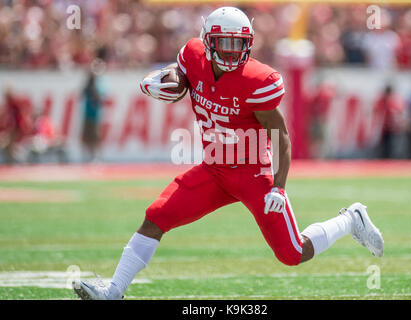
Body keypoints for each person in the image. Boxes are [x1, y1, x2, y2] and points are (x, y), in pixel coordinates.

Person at [73, 7, 384, 300]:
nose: (232, 51)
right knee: (156, 216)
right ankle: (113, 291)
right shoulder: (193, 54)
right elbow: (179, 73)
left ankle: (350, 219)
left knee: (292, 254)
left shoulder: (257, 80)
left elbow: (282, 136)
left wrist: (278, 185)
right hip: (214, 171)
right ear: (208, 41)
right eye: (224, 43)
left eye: (239, 44)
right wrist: (164, 77)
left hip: (253, 175)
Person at [81, 71, 103, 162]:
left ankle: (95, 156)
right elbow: (81, 94)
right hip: (87, 116)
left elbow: (98, 100)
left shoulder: (96, 88)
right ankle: (89, 156)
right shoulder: (87, 88)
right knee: (86, 138)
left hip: (94, 117)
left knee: (94, 138)